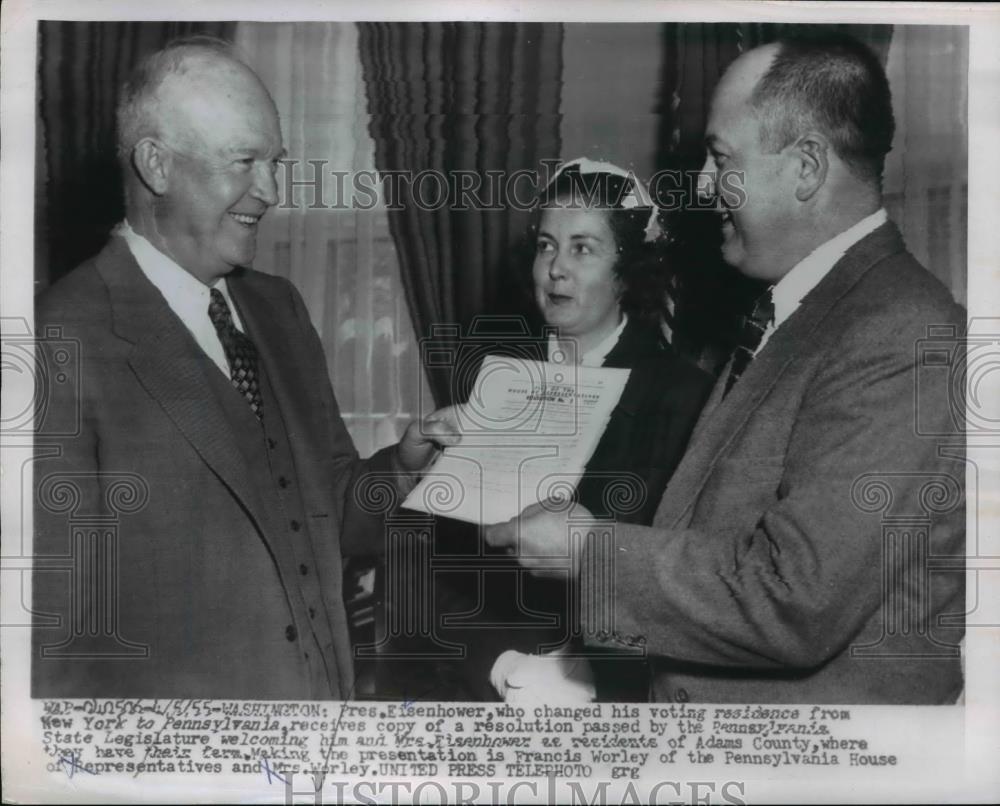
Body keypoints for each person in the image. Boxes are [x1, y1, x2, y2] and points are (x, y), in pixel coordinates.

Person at [485, 34, 966, 704]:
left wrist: (585, 553)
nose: (704, 187)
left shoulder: (901, 328)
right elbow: (711, 549)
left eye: (720, 161)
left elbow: (796, 601)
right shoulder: (797, 312)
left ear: (805, 167)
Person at [31, 38, 458, 700]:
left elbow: (333, 513)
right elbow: (50, 640)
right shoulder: (60, 336)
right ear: (156, 165)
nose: (271, 191)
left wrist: (401, 468)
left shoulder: (278, 308)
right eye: (244, 163)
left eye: (275, 163)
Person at [443, 159, 712, 701]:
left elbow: (687, 576)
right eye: (546, 245)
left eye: (582, 249)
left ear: (626, 269)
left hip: (622, 697)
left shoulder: (684, 397)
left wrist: (585, 676)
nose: (555, 269)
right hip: (488, 691)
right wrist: (498, 666)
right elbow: (441, 562)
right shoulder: (494, 377)